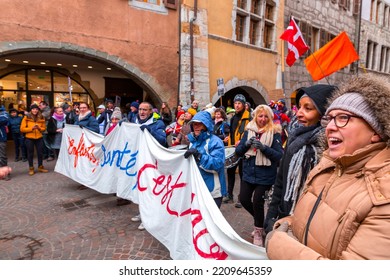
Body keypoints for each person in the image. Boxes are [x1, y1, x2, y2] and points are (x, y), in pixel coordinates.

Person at [265, 74, 390, 260]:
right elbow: (312, 223)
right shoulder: (327, 166)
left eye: (343, 117)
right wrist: (287, 223)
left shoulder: (382, 195)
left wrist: (278, 244)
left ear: (375, 131)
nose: (330, 127)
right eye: (330, 118)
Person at [264, 84, 337, 234]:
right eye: (299, 107)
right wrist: (271, 214)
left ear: (323, 114)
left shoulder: (328, 150)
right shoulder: (294, 139)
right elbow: (281, 179)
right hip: (284, 213)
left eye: (308, 108)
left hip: (309, 224)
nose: (299, 113)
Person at [235, 105, 283, 246]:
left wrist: (264, 148)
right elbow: (238, 151)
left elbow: (279, 156)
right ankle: (260, 222)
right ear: (255, 117)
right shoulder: (249, 130)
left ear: (270, 118)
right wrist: (247, 144)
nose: (263, 119)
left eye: (265, 116)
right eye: (260, 116)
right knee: (243, 199)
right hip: (249, 172)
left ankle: (258, 232)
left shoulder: (275, 133)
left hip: (266, 174)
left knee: (257, 201)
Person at [131, 102, 167, 230]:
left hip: (151, 163)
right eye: (140, 109)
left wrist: (150, 130)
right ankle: (142, 212)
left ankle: (149, 218)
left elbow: (163, 140)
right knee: (140, 188)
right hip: (138, 160)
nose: (141, 112)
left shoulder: (157, 123)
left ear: (150, 112)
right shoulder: (134, 121)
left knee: (149, 189)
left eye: (145, 110)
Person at [184, 111, 227, 208]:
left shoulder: (215, 141)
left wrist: (199, 156)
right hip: (197, 189)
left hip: (212, 190)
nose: (196, 126)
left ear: (206, 125)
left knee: (212, 222)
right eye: (194, 124)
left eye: (199, 124)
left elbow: (217, 164)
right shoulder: (192, 142)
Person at [223, 94, 251, 207]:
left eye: (239, 103)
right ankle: (230, 196)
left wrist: (243, 141)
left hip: (244, 149)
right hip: (233, 148)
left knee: (243, 173)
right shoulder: (234, 117)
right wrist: (228, 138)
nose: (237, 105)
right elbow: (233, 132)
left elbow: (250, 133)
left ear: (244, 105)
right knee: (230, 172)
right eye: (235, 103)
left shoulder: (249, 118)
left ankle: (241, 198)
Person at [20, 104, 49, 176]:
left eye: (36, 109)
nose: (35, 110)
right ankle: (31, 168)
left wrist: (39, 128)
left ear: (38, 110)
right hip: (29, 138)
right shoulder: (26, 117)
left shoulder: (41, 117)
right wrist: (31, 128)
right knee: (30, 153)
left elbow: (44, 128)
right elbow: (22, 129)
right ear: (31, 110)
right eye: (33, 109)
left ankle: (40, 167)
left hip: (39, 137)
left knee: (40, 153)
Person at [0, 105, 10, 180]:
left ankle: (5, 173)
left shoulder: (3, 112)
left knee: (2, 156)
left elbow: (5, 120)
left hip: (1, 138)